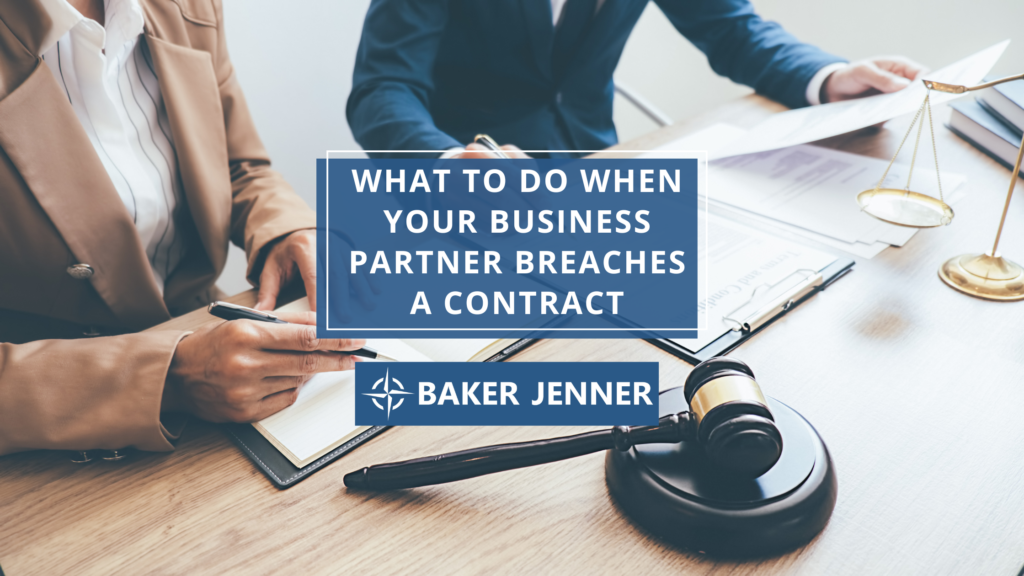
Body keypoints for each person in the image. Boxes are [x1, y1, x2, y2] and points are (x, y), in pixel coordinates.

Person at [0, 0, 362, 457]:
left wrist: (287, 230)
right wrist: (169, 375)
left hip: (223, 366)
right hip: (53, 442)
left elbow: (239, 164)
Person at [347, 0, 925, 158]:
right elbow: (382, 90)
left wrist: (828, 76)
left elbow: (733, 31)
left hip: (598, 166)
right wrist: (449, 161)